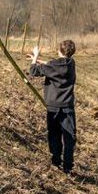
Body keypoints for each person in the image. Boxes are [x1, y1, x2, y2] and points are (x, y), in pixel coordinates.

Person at [29, 40, 77, 174]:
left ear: (58, 51)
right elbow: (54, 65)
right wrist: (38, 60)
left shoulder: (53, 66)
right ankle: (68, 165)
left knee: (54, 134)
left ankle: (56, 160)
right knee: (69, 137)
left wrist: (35, 57)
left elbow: (33, 71)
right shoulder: (71, 64)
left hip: (53, 107)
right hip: (68, 106)